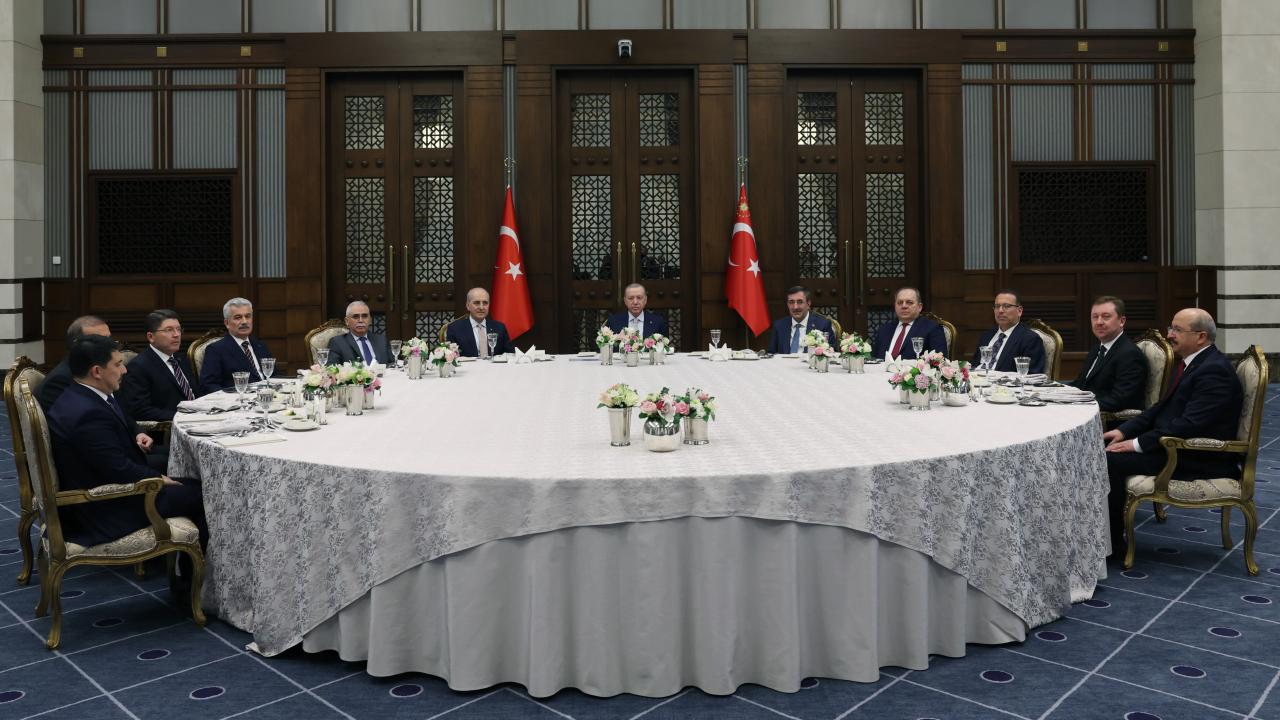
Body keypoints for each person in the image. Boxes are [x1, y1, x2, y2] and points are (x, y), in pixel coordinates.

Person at [1101, 308, 1242, 556]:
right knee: (1103, 448)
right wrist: (1124, 431)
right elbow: (1161, 408)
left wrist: (1136, 444)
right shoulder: (1195, 363)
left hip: (1197, 456)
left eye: (1177, 330)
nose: (1169, 335)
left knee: (1109, 460)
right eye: (1171, 328)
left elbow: (1188, 425)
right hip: (1173, 444)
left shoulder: (1214, 371)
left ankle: (1112, 545)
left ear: (1201, 337)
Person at [45, 335, 206, 551]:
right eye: (118, 364)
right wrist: (159, 478)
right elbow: (119, 469)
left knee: (195, 482)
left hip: (111, 486)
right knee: (205, 493)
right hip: (108, 507)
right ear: (97, 371)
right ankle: (194, 568)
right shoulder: (87, 415)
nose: (124, 370)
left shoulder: (81, 395)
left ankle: (187, 561)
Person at [1067, 296, 1148, 413]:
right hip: (1086, 410)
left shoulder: (1130, 355)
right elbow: (1080, 384)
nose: (1099, 322)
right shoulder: (1097, 349)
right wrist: (1053, 393)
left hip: (1109, 419)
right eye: (1095, 317)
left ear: (1121, 321)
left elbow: (1119, 400)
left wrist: (1078, 406)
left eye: (1106, 317)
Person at [119, 309, 198, 421]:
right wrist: (185, 417)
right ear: (151, 337)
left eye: (178, 329)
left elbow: (195, 394)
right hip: (170, 426)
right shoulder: (138, 367)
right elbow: (140, 410)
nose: (176, 335)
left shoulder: (181, 359)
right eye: (169, 330)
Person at [37, 316, 111, 413]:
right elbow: (72, 419)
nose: (110, 347)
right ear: (77, 345)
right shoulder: (60, 381)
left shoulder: (97, 369)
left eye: (109, 340)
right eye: (100, 341)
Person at [198, 298, 273, 393]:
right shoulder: (216, 350)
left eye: (248, 316)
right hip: (238, 398)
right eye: (238, 317)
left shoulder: (260, 345)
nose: (244, 321)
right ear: (227, 323)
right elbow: (208, 385)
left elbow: (273, 375)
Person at [971, 290, 1045, 373]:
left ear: (1019, 311)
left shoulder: (1030, 339)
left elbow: (1032, 375)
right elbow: (974, 364)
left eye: (1006, 306)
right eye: (997, 306)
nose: (1000, 311)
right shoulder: (987, 335)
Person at [872, 286, 948, 360]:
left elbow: (940, 360)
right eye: (900, 302)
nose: (904, 306)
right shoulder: (884, 329)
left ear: (919, 307)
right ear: (895, 306)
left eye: (909, 302)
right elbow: (874, 359)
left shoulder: (932, 328)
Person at [446, 288, 516, 358]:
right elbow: (451, 357)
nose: (481, 307)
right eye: (477, 303)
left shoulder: (499, 327)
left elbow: (510, 354)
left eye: (485, 303)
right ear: (468, 306)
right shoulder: (455, 328)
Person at [766, 285, 836, 354]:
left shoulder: (822, 325)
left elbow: (831, 351)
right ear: (787, 304)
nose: (795, 307)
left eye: (800, 302)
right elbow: (771, 353)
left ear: (808, 303)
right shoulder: (779, 325)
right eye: (791, 302)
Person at [327, 301, 394, 365]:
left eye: (364, 316)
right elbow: (331, 368)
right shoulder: (337, 343)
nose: (361, 320)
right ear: (347, 321)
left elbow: (392, 364)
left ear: (370, 320)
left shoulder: (381, 340)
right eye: (355, 317)